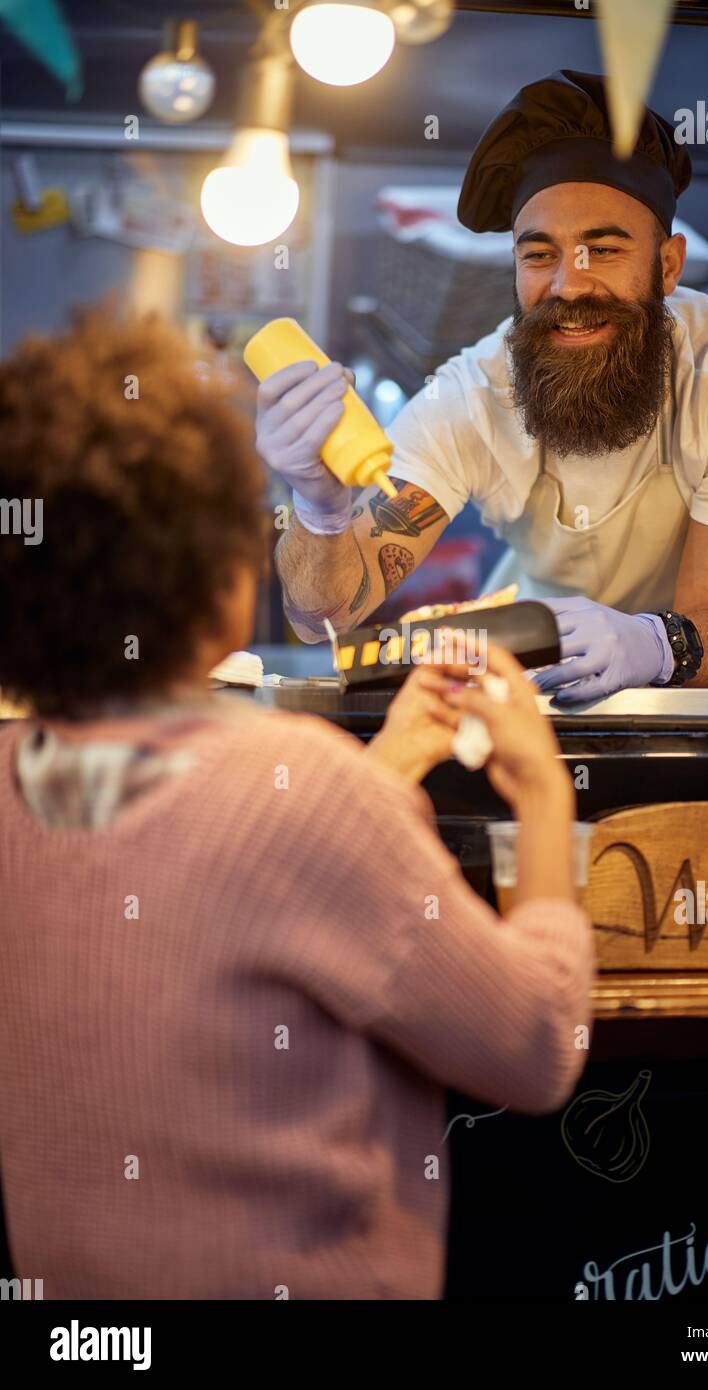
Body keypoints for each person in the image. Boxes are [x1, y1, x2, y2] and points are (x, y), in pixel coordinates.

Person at [0, 309, 593, 1300]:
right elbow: (535, 1046)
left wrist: (393, 755)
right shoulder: (303, 795)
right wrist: (538, 793)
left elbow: (220, 880)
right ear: (224, 574)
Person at [265, 70, 708, 703]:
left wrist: (651, 644)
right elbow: (321, 619)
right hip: (537, 691)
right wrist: (320, 509)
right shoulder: (472, 395)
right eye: (539, 254)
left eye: (602, 250)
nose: (567, 287)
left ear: (667, 266)